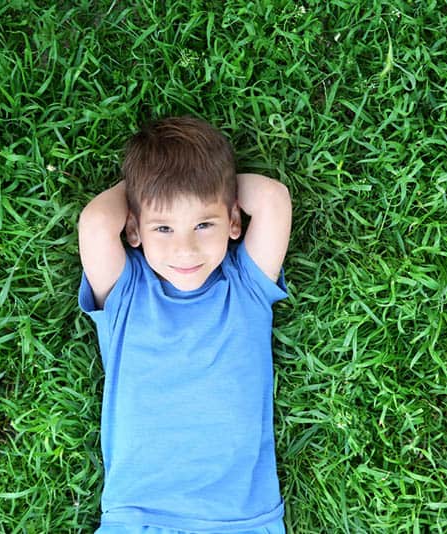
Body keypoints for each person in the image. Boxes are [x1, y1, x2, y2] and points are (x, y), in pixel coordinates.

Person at [77, 116, 292, 533]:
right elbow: (96, 223)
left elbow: (272, 200)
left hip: (240, 519)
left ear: (233, 221)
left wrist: (208, 186)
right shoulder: (127, 294)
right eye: (163, 228)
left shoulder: (244, 286)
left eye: (203, 224)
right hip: (140, 517)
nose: (185, 248)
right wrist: (147, 189)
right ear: (134, 229)